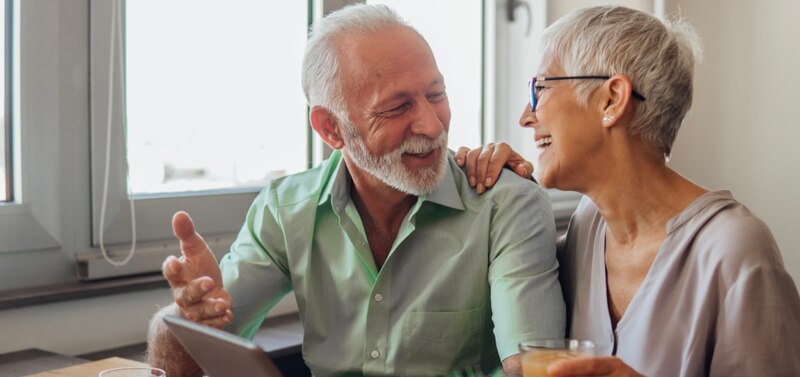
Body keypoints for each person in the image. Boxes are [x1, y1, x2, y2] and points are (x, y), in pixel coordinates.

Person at [146, 4, 565, 377]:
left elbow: (533, 369)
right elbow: (181, 363)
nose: (433, 126)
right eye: (398, 107)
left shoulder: (505, 203)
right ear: (331, 129)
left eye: (436, 94)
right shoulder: (285, 209)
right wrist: (186, 318)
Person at [457, 5, 800, 377]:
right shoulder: (586, 227)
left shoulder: (735, 251)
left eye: (540, 88)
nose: (525, 115)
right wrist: (503, 188)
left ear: (612, 99)